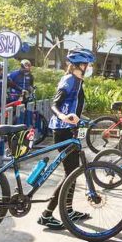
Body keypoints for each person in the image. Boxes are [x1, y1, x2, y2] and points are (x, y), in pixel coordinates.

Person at [37, 47, 94, 230]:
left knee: (73, 171)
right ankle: (47, 214)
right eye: (87, 64)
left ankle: (68, 210)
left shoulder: (77, 81)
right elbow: (55, 103)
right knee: (69, 174)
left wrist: (81, 119)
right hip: (63, 130)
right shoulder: (69, 80)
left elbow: (73, 107)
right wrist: (63, 116)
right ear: (79, 65)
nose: (89, 67)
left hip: (71, 129)